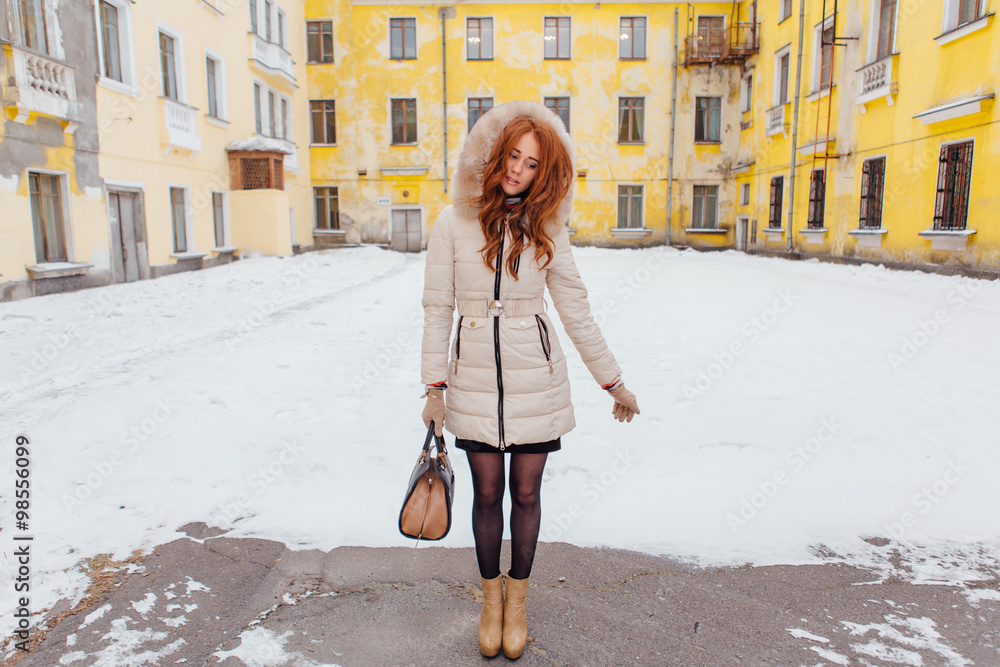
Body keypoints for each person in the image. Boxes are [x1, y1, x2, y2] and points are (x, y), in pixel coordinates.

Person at [420, 100, 640, 659]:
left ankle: (517, 600)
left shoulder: (547, 231)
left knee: (525, 491)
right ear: (495, 157)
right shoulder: (452, 222)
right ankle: (490, 600)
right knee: (487, 491)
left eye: (533, 163)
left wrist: (612, 382)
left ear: (547, 174)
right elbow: (437, 308)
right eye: (512, 155)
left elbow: (576, 310)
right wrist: (434, 388)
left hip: (535, 379)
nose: (518, 168)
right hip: (471, 378)